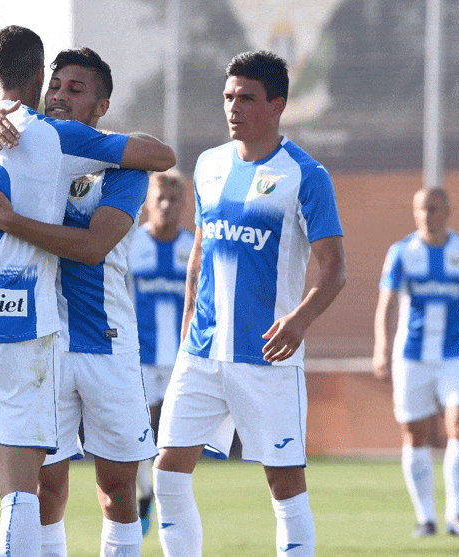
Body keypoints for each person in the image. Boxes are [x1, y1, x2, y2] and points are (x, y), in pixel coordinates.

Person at [0, 28, 174, 557]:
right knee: (38, 488)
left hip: (104, 341)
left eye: (75, 89)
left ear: (102, 104)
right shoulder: (45, 140)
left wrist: (8, 222)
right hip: (39, 335)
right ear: (37, 82)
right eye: (54, 84)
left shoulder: (114, 165)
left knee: (117, 491)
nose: (59, 96)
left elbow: (97, 243)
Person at [152, 51, 346, 557]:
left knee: (285, 488)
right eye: (228, 97)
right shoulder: (209, 165)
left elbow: (335, 269)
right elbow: (199, 252)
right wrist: (190, 324)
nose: (233, 107)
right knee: (167, 473)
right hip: (200, 352)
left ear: (278, 104)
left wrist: (298, 323)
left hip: (267, 357)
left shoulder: (306, 175)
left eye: (246, 98)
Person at [372, 187, 459, 538]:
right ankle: (425, 517)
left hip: (456, 356)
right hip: (412, 357)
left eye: (434, 208)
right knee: (416, 433)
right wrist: (381, 349)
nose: (427, 215)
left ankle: (456, 514)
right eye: (421, 209)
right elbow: (387, 306)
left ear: (448, 211)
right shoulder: (401, 253)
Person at [125, 170, 194, 534]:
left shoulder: (193, 246)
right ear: (148, 203)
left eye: (174, 199)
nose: (166, 206)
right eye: (159, 199)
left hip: (184, 359)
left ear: (184, 204)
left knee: (176, 438)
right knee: (139, 433)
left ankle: (169, 503)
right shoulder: (131, 245)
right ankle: (144, 494)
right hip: (139, 357)